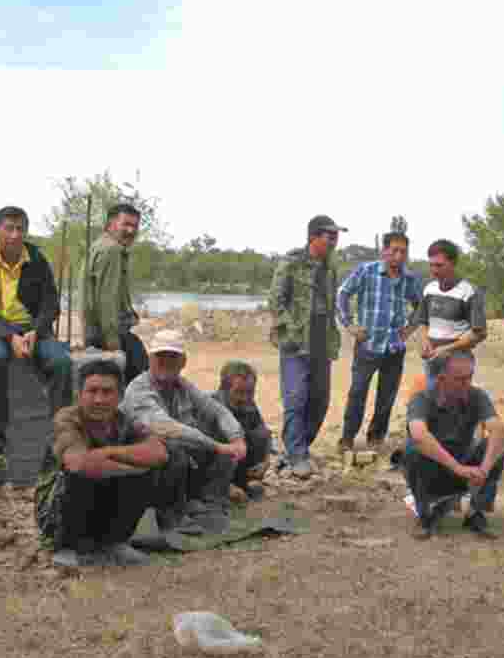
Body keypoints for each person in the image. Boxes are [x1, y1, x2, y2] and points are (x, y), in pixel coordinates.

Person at [0, 206, 72, 472]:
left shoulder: (35, 258)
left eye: (20, 229)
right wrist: (10, 335)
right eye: (8, 228)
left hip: (32, 328)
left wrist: (36, 329)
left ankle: (62, 439)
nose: (14, 235)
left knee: (62, 363)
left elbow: (50, 303)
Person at [35, 359, 170, 568]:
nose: (99, 399)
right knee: (82, 475)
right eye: (92, 391)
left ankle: (113, 542)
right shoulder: (67, 419)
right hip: (56, 514)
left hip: (101, 498)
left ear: (120, 396)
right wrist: (132, 463)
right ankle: (69, 546)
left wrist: (109, 453)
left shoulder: (124, 421)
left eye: (107, 392)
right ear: (79, 394)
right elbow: (78, 464)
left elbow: (159, 452)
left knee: (147, 471)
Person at [120, 329, 247, 535]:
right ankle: (172, 514)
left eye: (173, 357)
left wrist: (236, 438)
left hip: (179, 462)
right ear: (150, 359)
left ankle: (209, 503)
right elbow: (170, 429)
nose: (166, 361)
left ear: (183, 362)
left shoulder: (182, 385)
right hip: (141, 467)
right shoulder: (139, 390)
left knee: (216, 433)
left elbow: (215, 409)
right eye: (161, 356)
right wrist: (219, 446)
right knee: (173, 446)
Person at [268, 215, 347, 479]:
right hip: (295, 343)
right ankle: (297, 454)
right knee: (295, 398)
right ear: (314, 236)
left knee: (320, 399)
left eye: (336, 236)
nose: (335, 241)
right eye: (330, 236)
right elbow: (275, 300)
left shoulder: (330, 267)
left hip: (321, 342)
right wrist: (289, 330)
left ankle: (298, 447)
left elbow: (332, 303)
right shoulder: (292, 263)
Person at [404, 351, 504, 540]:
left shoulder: (477, 396)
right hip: (433, 473)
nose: (467, 383)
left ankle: (475, 512)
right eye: (460, 379)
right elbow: (419, 434)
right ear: (441, 379)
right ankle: (425, 516)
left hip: (465, 470)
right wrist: (456, 467)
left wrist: (484, 469)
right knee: (413, 450)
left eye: (470, 377)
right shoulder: (421, 400)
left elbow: (499, 432)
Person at [335, 231, 423, 453]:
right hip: (368, 345)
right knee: (357, 393)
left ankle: (376, 438)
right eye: (394, 250)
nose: (398, 255)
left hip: (394, 348)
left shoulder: (409, 279)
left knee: (386, 397)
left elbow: (421, 306)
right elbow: (342, 294)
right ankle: (347, 439)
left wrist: (409, 328)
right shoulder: (367, 271)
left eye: (403, 251)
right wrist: (350, 325)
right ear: (384, 251)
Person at [83, 203, 147, 385]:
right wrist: (113, 344)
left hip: (97, 333)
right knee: (140, 383)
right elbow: (106, 300)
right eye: (125, 224)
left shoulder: (100, 245)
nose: (130, 230)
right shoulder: (112, 250)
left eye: (134, 226)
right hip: (109, 335)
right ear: (111, 224)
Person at [415, 239, 487, 390]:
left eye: (439, 265)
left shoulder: (469, 292)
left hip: (459, 362)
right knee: (434, 405)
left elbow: (479, 333)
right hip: (432, 361)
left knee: (457, 407)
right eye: (431, 265)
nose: (434, 270)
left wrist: (448, 348)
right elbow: (422, 322)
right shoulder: (429, 289)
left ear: (453, 264)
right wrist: (424, 341)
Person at [212, 360, 272, 502]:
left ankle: (243, 483)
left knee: (260, 435)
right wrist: (224, 486)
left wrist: (265, 463)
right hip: (211, 472)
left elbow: (265, 434)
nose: (245, 398)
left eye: (250, 392)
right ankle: (220, 488)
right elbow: (202, 456)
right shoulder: (211, 408)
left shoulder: (249, 405)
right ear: (223, 390)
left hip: (236, 466)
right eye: (238, 393)